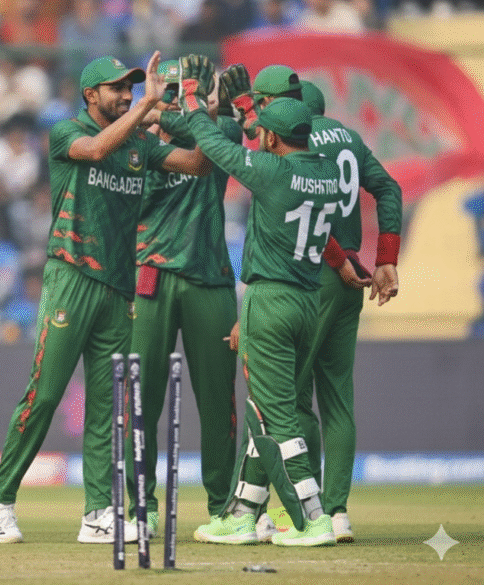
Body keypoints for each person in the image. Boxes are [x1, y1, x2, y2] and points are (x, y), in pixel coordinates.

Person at [0, 52, 212, 545]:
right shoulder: (66, 132)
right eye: (117, 88)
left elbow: (197, 163)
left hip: (119, 286)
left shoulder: (142, 144)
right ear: (90, 95)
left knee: (108, 406)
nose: (127, 95)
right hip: (71, 275)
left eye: (131, 88)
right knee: (45, 395)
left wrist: (207, 116)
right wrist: (148, 108)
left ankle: (97, 513)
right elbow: (95, 150)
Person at [179, 56, 340, 546]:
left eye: (264, 130)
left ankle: (313, 518)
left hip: (270, 301)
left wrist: (193, 102)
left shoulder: (272, 173)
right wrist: (250, 111)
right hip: (308, 301)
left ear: (272, 138)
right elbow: (268, 141)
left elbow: (214, 146)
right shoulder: (326, 171)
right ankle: (242, 514)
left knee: (275, 418)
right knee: (262, 413)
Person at [251, 75, 401, 542]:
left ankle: (301, 510)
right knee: (337, 400)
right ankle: (337, 512)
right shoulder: (349, 138)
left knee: (287, 401)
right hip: (351, 279)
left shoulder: (294, 141)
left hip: (310, 275)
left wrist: (337, 260)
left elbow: (307, 216)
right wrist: (386, 259)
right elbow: (389, 188)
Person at [126, 59, 241, 537]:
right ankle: (142, 507)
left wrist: (168, 113)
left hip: (209, 278)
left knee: (217, 402)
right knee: (141, 399)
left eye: (182, 90)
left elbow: (218, 135)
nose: (175, 98)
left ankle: (224, 508)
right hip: (151, 277)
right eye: (168, 90)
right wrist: (151, 114)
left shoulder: (222, 132)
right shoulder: (137, 141)